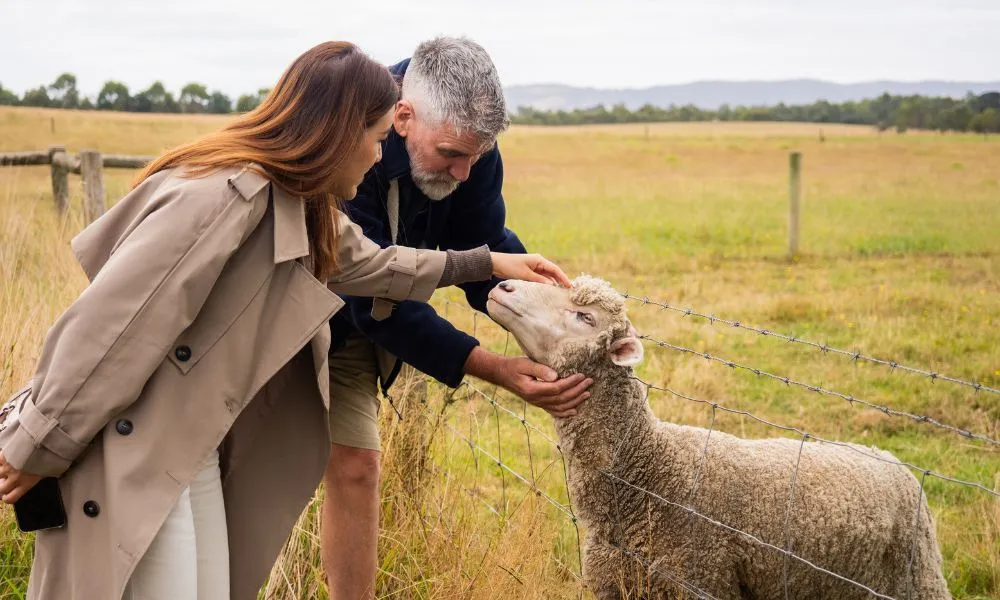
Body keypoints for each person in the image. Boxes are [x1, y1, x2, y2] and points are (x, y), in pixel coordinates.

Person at [0, 41, 568, 600]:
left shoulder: (304, 202)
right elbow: (106, 331)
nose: (377, 158)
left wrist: (488, 262)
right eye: (373, 141)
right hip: (136, 443)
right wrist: (36, 446)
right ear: (350, 131)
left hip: (193, 441)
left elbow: (372, 263)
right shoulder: (222, 198)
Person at [320, 37, 592, 597]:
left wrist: (557, 315)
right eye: (450, 155)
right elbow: (367, 291)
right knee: (266, 470)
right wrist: (494, 367)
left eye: (478, 155)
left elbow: (481, 246)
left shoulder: (470, 154)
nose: (465, 173)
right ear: (402, 118)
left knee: (356, 465)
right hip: (299, 312)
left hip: (364, 323)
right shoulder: (346, 139)